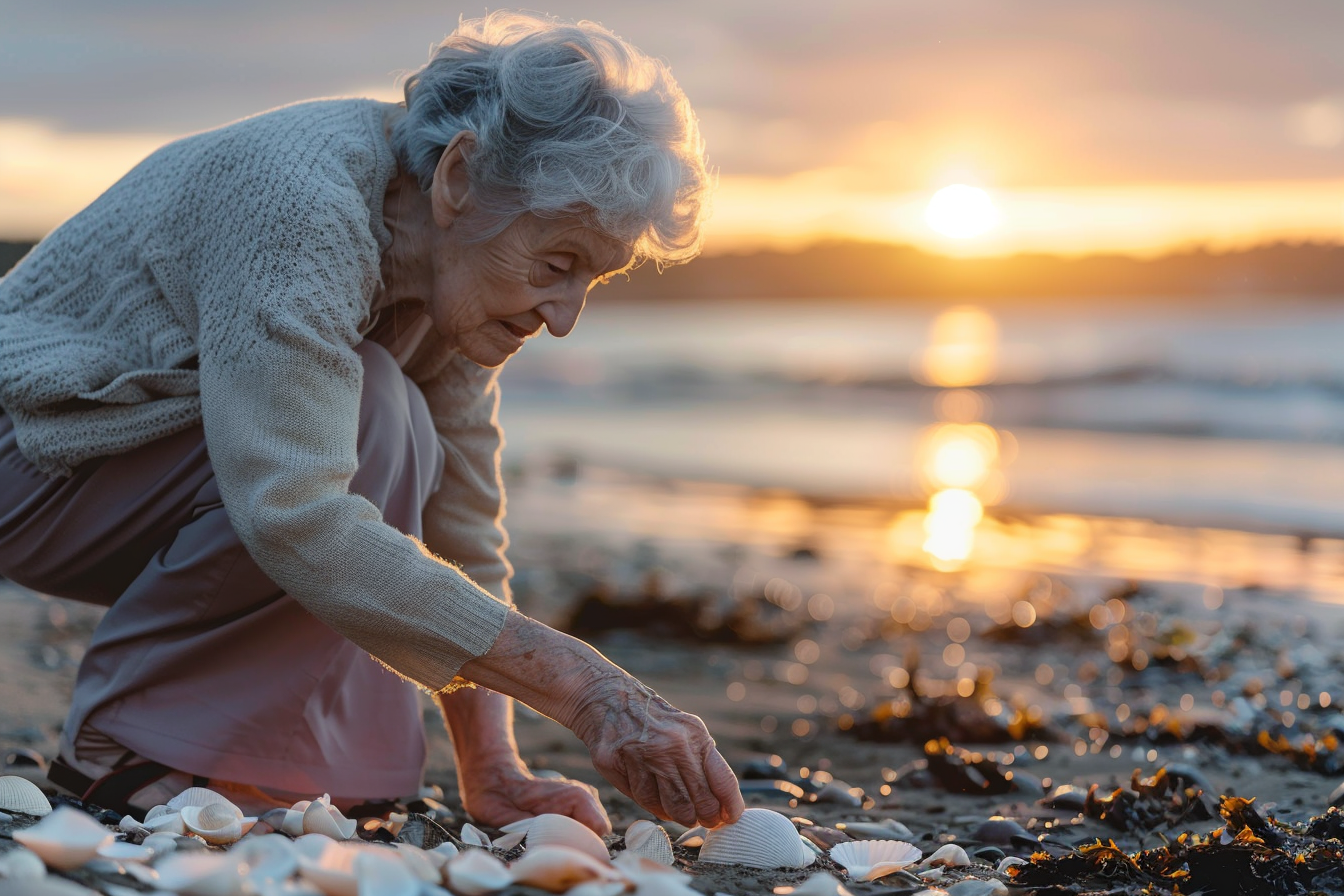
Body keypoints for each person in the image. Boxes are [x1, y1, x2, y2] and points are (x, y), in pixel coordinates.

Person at [0, 11, 745, 834]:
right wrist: (587, 688)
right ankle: (119, 745)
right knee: (367, 413)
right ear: (458, 176)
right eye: (557, 263)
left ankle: (242, 760)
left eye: (590, 281)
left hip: (140, 482)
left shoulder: (458, 272)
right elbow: (294, 515)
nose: (564, 317)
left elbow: (461, 528)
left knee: (390, 421)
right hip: (34, 456)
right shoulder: (298, 203)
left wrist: (493, 769)